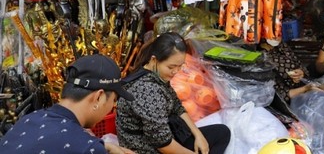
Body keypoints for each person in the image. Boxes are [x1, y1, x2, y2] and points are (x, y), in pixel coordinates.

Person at [116, 32, 231, 154]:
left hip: (164, 136)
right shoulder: (148, 90)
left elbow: (177, 106)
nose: (175, 71)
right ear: (154, 60)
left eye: (180, 66)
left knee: (222, 133)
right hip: (147, 149)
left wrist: (198, 135)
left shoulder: (154, 72)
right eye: (171, 67)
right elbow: (163, 144)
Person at [0, 54, 135, 154]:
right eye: (114, 100)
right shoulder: (87, 148)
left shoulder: (29, 119)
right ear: (99, 97)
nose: (113, 106)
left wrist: (102, 145)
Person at [260, 38, 320, 103]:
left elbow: (298, 64)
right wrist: (305, 89)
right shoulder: (260, 57)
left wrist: (301, 73)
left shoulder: (281, 46)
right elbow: (278, 96)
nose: (278, 36)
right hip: (287, 104)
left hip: (305, 92)